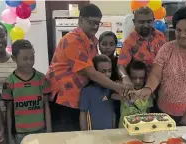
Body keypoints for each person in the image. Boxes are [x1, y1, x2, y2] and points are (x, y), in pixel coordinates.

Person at [47, 4, 128, 132]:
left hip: (80, 99)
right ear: (80, 20)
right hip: (64, 100)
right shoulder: (73, 40)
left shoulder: (92, 42)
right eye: (91, 22)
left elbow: (97, 69)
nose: (95, 26)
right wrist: (117, 87)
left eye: (97, 23)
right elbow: (91, 73)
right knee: (66, 141)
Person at [133, 7, 186, 126]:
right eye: (178, 30)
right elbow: (156, 74)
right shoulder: (166, 49)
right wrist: (148, 88)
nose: (182, 35)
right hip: (163, 114)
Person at [2, 40, 52, 144]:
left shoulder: (41, 78)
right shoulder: (10, 82)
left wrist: (49, 131)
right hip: (20, 135)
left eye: (32, 58)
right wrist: (9, 137)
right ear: (14, 58)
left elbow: (46, 106)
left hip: (41, 131)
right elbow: (9, 112)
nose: (29, 62)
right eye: (25, 58)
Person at [117, 7, 167, 87]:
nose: (145, 25)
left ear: (153, 20)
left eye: (149, 21)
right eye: (141, 22)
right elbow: (121, 66)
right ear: (134, 22)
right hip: (142, 87)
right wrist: (125, 77)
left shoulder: (160, 36)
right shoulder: (129, 42)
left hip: (162, 84)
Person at [80, 55, 116, 130]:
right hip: (93, 134)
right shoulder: (87, 91)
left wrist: (113, 128)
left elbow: (112, 112)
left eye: (109, 71)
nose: (107, 74)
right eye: (103, 71)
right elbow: (83, 114)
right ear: (94, 73)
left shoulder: (112, 88)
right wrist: (84, 133)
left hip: (110, 133)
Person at [117, 61, 153, 128]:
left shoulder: (148, 94)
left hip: (142, 128)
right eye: (134, 78)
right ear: (129, 78)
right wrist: (123, 96)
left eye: (141, 78)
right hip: (124, 128)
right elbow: (112, 96)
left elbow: (148, 112)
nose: (137, 81)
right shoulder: (124, 90)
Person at [98, 31, 121, 127]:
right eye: (104, 44)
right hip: (99, 101)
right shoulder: (94, 62)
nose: (108, 47)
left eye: (111, 44)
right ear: (99, 46)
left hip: (117, 103)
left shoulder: (120, 63)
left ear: (116, 45)